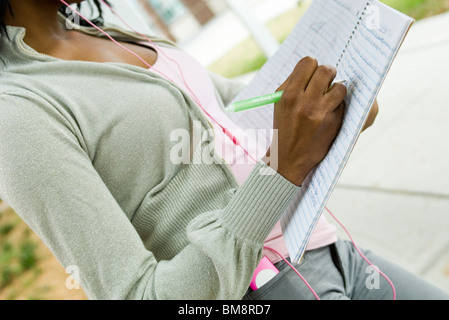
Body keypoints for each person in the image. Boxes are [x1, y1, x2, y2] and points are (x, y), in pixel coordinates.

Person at [0, 0, 447, 300]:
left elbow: (231, 108)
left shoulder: (101, 30)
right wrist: (281, 168)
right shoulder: (17, 113)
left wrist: (336, 104)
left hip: (330, 249)